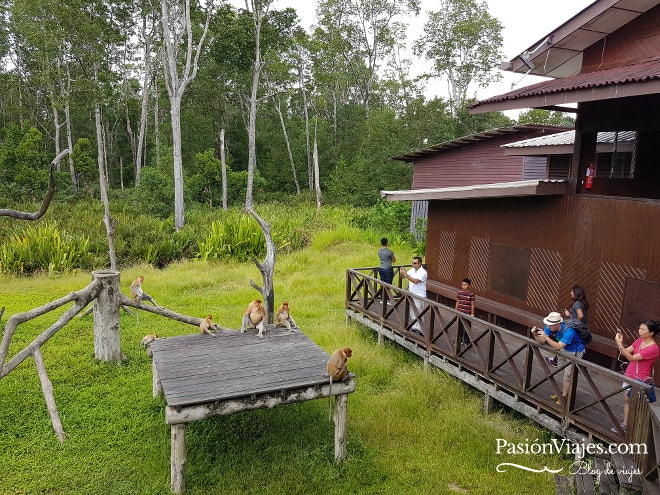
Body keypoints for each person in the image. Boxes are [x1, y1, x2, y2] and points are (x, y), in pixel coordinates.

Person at [613, 320, 659, 433]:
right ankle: (625, 424)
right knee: (627, 400)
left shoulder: (653, 348)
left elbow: (632, 358)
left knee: (636, 403)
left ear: (651, 333)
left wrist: (619, 344)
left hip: (640, 379)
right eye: (639, 328)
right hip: (629, 374)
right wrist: (621, 344)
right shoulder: (639, 341)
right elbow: (625, 352)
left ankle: (636, 428)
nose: (640, 331)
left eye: (643, 329)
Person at [532, 311, 585, 405]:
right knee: (562, 370)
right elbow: (541, 341)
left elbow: (558, 347)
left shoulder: (569, 331)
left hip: (575, 351)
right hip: (564, 349)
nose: (548, 326)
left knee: (568, 375)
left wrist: (547, 338)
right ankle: (564, 393)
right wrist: (535, 334)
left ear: (557, 324)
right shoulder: (549, 327)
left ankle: (564, 397)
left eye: (550, 325)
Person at [546, 285, 590, 367]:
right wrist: (569, 314)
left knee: (565, 342)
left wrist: (575, 324)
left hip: (577, 328)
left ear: (576, 293)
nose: (571, 293)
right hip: (582, 328)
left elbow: (580, 316)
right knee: (576, 344)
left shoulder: (577, 303)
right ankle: (579, 366)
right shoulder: (583, 303)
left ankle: (556, 361)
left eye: (572, 291)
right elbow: (577, 316)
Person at [399, 257, 427, 335]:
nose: (413, 264)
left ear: (419, 263)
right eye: (412, 263)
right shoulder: (411, 270)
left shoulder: (423, 272)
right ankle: (414, 326)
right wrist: (402, 273)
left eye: (414, 263)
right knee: (412, 311)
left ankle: (420, 330)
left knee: (419, 311)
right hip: (412, 293)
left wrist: (406, 275)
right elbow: (403, 276)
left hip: (419, 295)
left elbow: (415, 281)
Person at [455, 278, 475, 345]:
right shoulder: (459, 293)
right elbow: (457, 302)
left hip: (467, 313)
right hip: (460, 312)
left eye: (465, 285)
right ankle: (458, 340)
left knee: (467, 328)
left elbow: (472, 305)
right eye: (462, 285)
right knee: (459, 327)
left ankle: (466, 341)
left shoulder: (471, 294)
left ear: (469, 286)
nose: (463, 286)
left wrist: (472, 314)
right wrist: (455, 311)